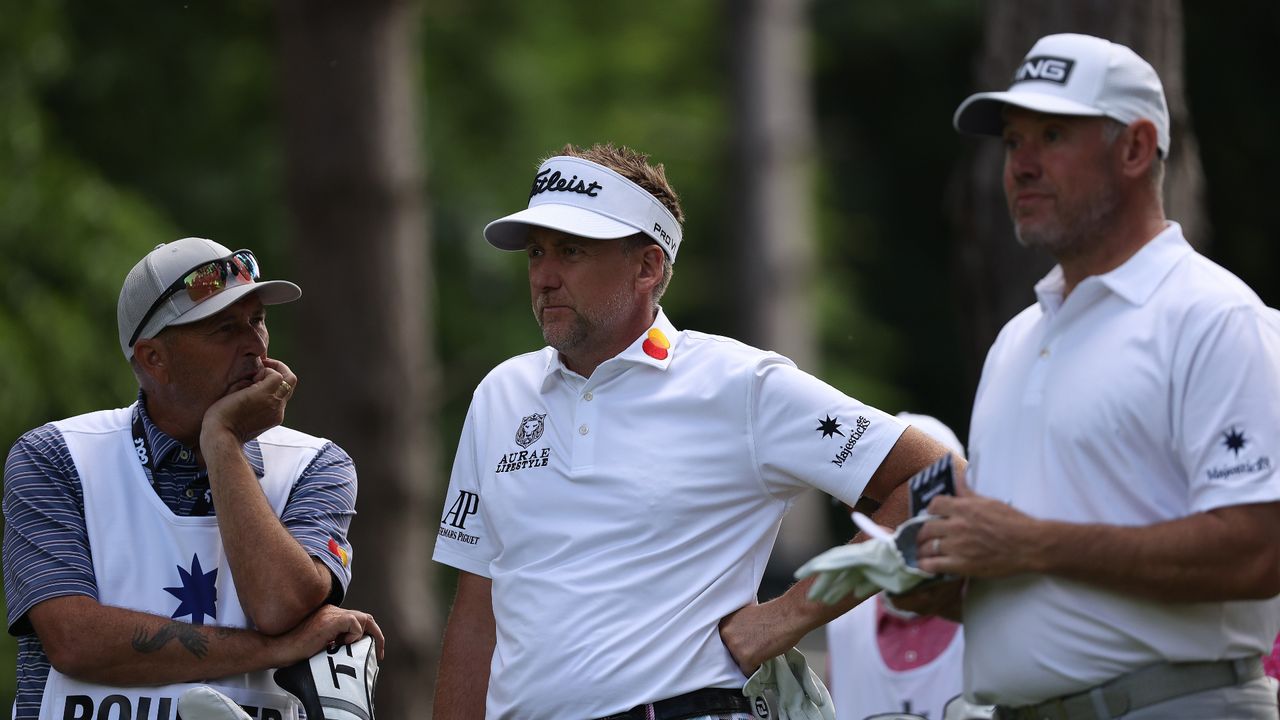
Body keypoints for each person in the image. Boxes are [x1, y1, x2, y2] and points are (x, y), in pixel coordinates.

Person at [431, 143, 957, 719]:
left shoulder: (739, 384)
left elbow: (936, 479)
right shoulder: (499, 395)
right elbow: (477, 610)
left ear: (648, 267)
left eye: (571, 251)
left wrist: (791, 616)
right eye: (536, 252)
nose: (545, 277)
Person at [905, 33, 1280, 718]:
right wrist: (952, 585)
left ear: (1136, 149)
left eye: (1052, 135)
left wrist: (1030, 542)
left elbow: (1258, 552)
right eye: (1013, 142)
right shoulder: (1020, 338)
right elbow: (1043, 573)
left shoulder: (1216, 319)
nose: (1021, 165)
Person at [3, 237, 383, 720]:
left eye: (257, 321)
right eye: (224, 329)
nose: (254, 346)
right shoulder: (55, 456)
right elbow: (74, 640)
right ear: (153, 358)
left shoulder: (316, 463)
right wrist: (272, 649)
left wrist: (222, 441)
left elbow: (279, 606)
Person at [824, 414, 991, 720]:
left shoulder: (999, 605)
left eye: (903, 503)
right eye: (868, 507)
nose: (886, 521)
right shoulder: (842, 620)